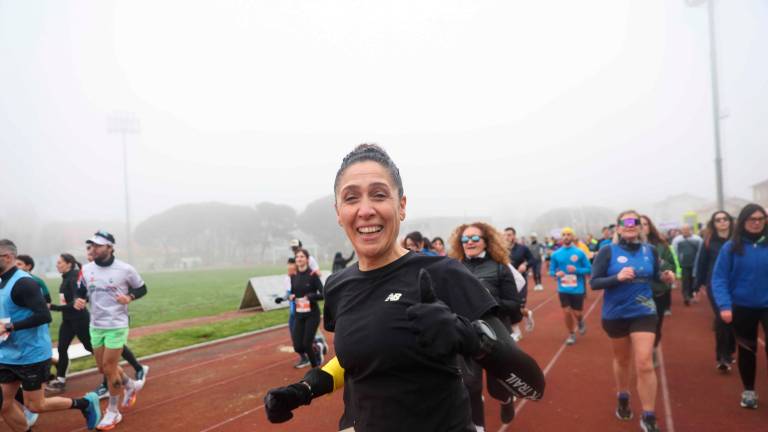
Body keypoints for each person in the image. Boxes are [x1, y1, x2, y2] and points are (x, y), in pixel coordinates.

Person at [264, 144, 544, 431]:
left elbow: (532, 386)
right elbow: (359, 357)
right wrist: (306, 389)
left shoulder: (444, 273)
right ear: (338, 212)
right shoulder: (337, 285)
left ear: (402, 206)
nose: (365, 210)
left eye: (379, 195)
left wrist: (470, 339)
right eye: (351, 198)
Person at [0, 239, 101, 431]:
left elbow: (44, 316)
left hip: (31, 355)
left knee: (35, 405)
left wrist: (10, 327)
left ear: (7, 257)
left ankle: (85, 404)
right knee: (4, 404)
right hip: (7, 354)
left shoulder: (24, 283)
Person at [591, 211, 675, 432]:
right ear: (618, 228)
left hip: (644, 311)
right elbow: (594, 282)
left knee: (645, 362)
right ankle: (623, 395)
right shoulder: (607, 251)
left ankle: (648, 414)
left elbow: (656, 276)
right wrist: (616, 278)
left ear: (640, 227)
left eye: (635, 222)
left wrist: (666, 277)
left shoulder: (650, 250)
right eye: (625, 222)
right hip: (615, 314)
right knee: (622, 360)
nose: (630, 225)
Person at [449, 222, 523, 428]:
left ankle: (506, 400)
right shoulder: (453, 267)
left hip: (496, 335)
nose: (469, 242)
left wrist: (489, 302)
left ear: (486, 242)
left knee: (497, 387)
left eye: (474, 238)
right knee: (470, 387)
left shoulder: (500, 268)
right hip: (466, 335)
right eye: (465, 239)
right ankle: (478, 427)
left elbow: (515, 305)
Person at [74, 231, 147, 430]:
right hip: (96, 324)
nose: (94, 249)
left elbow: (142, 288)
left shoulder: (125, 269)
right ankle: (130, 385)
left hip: (117, 324)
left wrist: (129, 297)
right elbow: (80, 290)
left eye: (98, 245)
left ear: (110, 247)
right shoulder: (86, 269)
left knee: (109, 368)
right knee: (103, 368)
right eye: (92, 245)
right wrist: (78, 299)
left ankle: (113, 412)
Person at [711, 203, 768, 409]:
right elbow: (719, 278)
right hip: (742, 306)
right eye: (751, 219)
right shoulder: (731, 247)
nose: (756, 223)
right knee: (747, 349)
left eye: (760, 219)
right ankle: (749, 390)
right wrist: (725, 306)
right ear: (743, 222)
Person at [695, 210, 735, 372]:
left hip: (737, 284)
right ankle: (722, 357)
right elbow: (702, 263)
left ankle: (730, 349)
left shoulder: (739, 240)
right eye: (718, 220)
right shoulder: (708, 241)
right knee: (722, 318)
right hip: (715, 285)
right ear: (714, 223)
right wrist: (697, 285)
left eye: (725, 219)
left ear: (730, 221)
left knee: (734, 320)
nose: (722, 222)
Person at [640, 215, 676, 368]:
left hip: (657, 293)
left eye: (645, 224)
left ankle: (653, 349)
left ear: (650, 226)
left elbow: (671, 265)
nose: (642, 227)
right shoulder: (625, 247)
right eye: (639, 224)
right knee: (639, 325)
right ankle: (643, 352)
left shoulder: (661, 245)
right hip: (637, 295)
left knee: (655, 325)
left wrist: (665, 268)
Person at [549, 227, 591, 345]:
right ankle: (571, 334)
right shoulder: (556, 254)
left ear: (572, 237)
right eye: (564, 235)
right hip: (563, 288)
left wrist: (576, 270)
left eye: (568, 234)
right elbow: (551, 270)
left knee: (577, 313)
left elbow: (589, 269)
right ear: (561, 237)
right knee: (566, 311)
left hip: (577, 288)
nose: (566, 237)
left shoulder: (579, 252)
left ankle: (580, 321)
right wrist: (556, 274)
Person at [289, 249, 324, 368]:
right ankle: (317, 345)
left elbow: (323, 294)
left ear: (307, 260)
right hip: (299, 314)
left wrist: (311, 296)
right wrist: (292, 296)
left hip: (312, 315)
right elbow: (294, 293)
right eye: (297, 257)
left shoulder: (312, 275)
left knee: (307, 344)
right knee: (298, 346)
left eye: (302, 256)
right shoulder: (293, 276)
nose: (299, 259)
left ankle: (315, 370)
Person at [672, 224, 703, 306]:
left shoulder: (698, 239)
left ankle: (692, 295)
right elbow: (674, 252)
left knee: (693, 280)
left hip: (695, 264)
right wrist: (678, 262)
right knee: (685, 281)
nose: (685, 231)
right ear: (681, 230)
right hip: (684, 265)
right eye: (683, 229)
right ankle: (686, 297)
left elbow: (701, 251)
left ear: (690, 230)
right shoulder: (677, 240)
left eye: (687, 229)